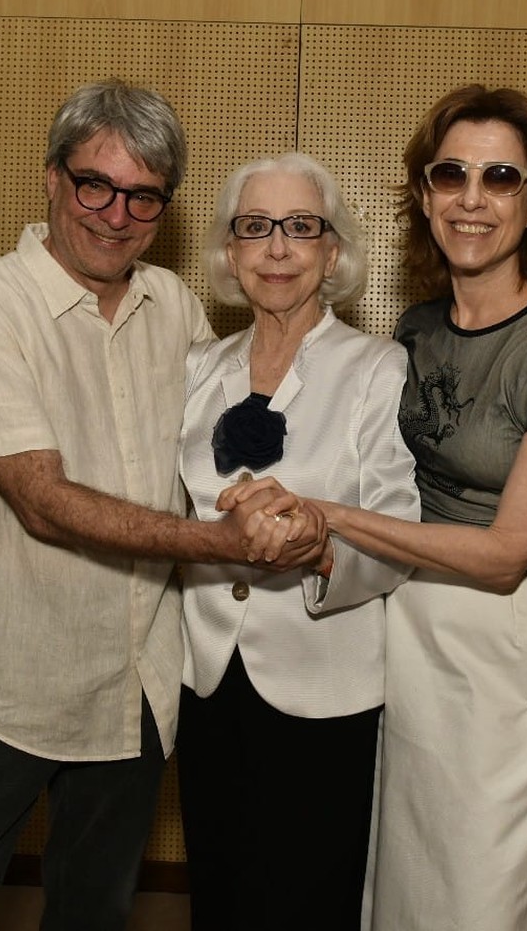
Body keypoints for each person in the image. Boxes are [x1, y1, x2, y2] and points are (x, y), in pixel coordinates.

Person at [0, 80, 326, 931]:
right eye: (95, 183)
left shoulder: (178, 309)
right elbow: (44, 502)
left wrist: (302, 505)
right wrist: (217, 540)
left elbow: (215, 457)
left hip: (136, 686)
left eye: (143, 196)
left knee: (92, 914)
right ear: (51, 178)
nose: (115, 214)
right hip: (2, 678)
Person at [225, 85, 527, 931]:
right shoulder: (416, 330)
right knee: (399, 884)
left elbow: (509, 552)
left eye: (501, 176)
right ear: (426, 195)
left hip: (497, 647)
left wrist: (329, 514)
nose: (472, 199)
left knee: (480, 886)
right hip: (398, 637)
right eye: (451, 174)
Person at [176, 152, 420, 931]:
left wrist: (320, 547)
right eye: (255, 228)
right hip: (209, 675)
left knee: (308, 898)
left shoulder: (379, 371)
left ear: (333, 251)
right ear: (230, 253)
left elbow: (400, 533)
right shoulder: (196, 369)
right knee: (220, 886)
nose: (277, 248)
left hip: (326, 683)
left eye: (300, 228)